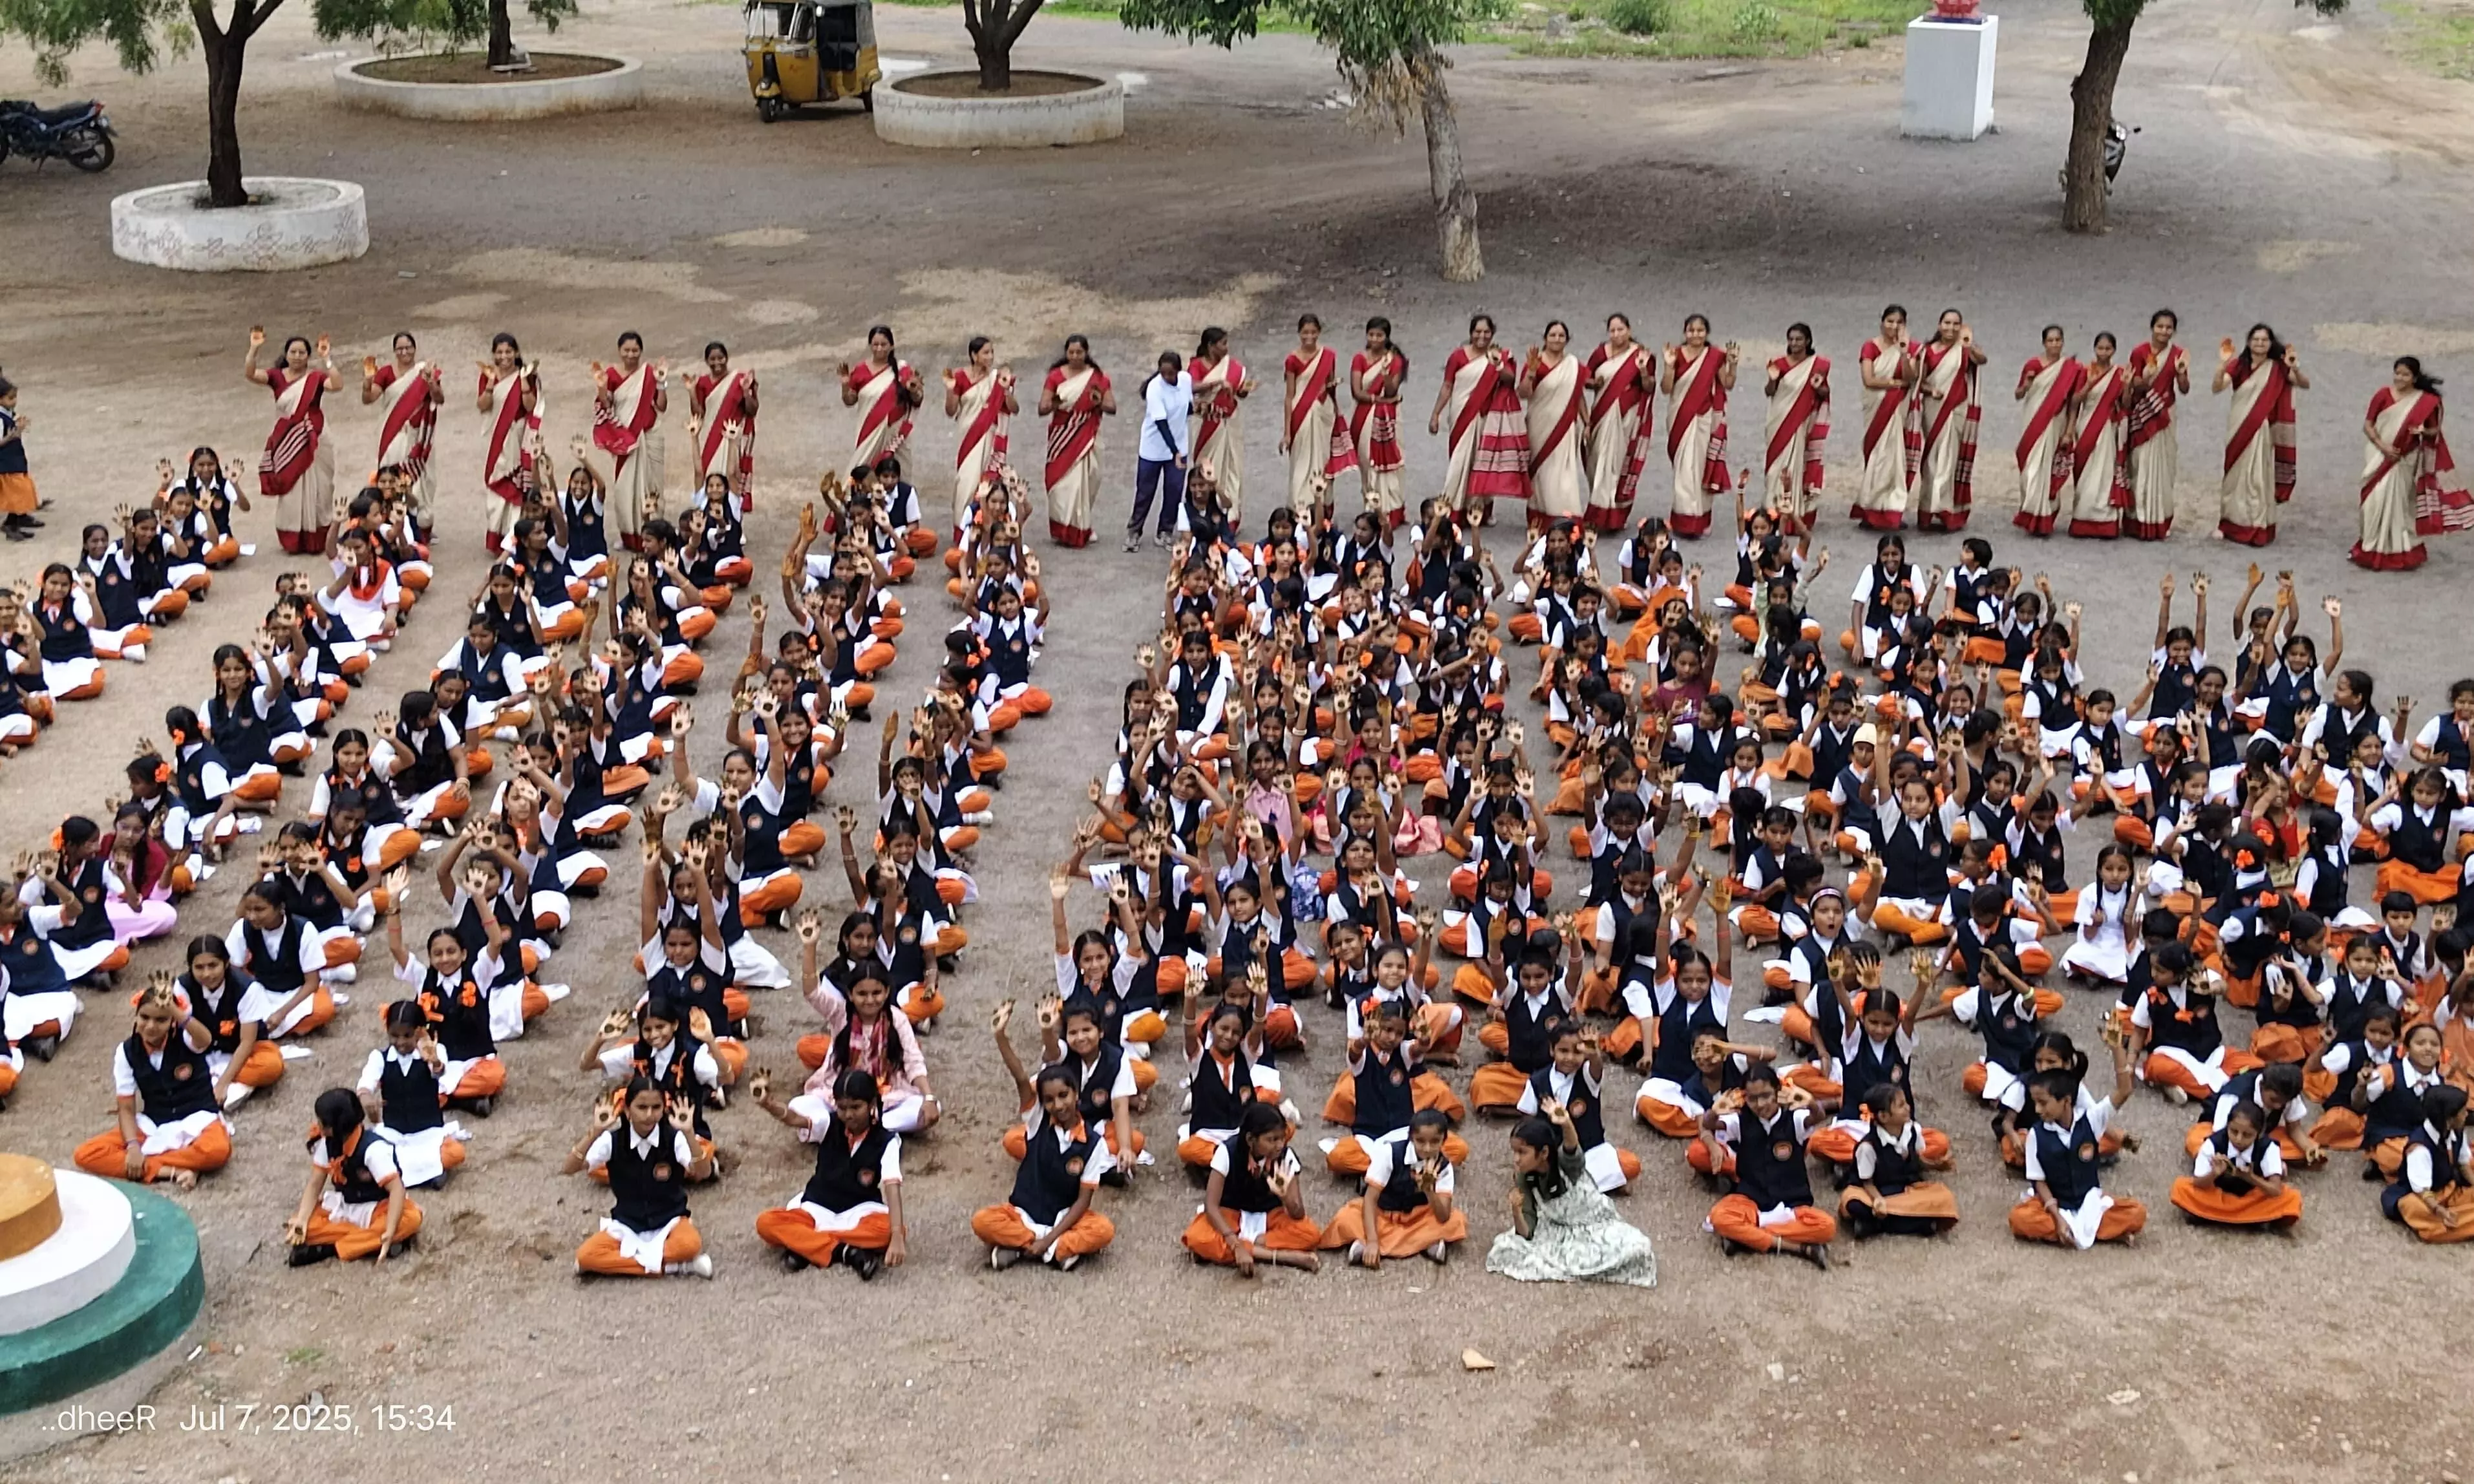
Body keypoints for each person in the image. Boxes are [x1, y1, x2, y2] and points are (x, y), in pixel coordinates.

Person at [975, 1002, 1117, 1269]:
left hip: (1063, 1219)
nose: (1058, 1105)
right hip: (1025, 1214)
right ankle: (1055, 1252)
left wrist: (1049, 1237)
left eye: (1064, 1096)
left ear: (1076, 1094)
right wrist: (1000, 1037)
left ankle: (1024, 1248)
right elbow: (1020, 1078)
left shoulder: (1094, 1144)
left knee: (1103, 1230)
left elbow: (1083, 1201)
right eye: (1049, 1100)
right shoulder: (1037, 1121)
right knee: (982, 1221)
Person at [72, 977, 232, 1189]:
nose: (150, 1026)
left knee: (216, 1151)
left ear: (172, 1021)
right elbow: (126, 1108)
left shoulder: (185, 1038)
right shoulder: (126, 1052)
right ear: (136, 1016)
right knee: (87, 1154)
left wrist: (174, 1009)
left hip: (198, 1117)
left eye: (161, 1020)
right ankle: (173, 1170)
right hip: (155, 1122)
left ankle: (154, 1165)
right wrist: (132, 1147)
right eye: (144, 1017)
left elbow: (205, 1039)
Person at [751, 1065, 908, 1278]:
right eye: (842, 1108)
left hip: (859, 1210)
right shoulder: (829, 1123)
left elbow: (892, 1185)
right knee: (767, 1223)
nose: (848, 1115)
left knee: (889, 1231)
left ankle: (806, 1245)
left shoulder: (887, 1140)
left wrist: (897, 1236)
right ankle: (846, 1252)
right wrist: (769, 1104)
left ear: (872, 1104)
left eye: (856, 1107)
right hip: (818, 1206)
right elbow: (794, 1119)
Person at [560, 1074, 716, 1278]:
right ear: (627, 1110)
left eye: (656, 1107)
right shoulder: (613, 1140)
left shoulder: (674, 1138)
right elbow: (569, 1168)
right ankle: (675, 1267)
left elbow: (704, 1173)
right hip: (628, 1224)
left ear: (664, 1108)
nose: (649, 1115)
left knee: (690, 1244)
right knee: (586, 1256)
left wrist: (688, 1133)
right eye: (642, 1107)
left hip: (669, 1221)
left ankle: (629, 1265)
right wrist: (595, 1132)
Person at [1488, 1098, 1658, 1284]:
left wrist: (1566, 1123)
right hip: (1558, 1230)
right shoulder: (1524, 1177)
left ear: (1544, 1153)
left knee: (1639, 1248)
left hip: (1596, 1224)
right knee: (1505, 1248)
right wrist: (1516, 1211)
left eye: (1522, 1152)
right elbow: (1527, 1233)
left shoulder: (1565, 1165)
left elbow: (1571, 1148)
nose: (1516, 1159)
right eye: (1514, 1152)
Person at [2010, 1030, 2146, 1248]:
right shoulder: (2036, 1134)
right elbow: (2039, 1181)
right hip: (2056, 1206)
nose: (2037, 1110)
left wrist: (2116, 1048)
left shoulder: (2091, 1120)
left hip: (2088, 1203)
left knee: (2136, 1213)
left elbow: (2124, 1090)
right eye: (2036, 1103)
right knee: (2021, 1219)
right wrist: (2057, 1217)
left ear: (2066, 1101)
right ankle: (2091, 1232)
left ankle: (2075, 1232)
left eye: (2043, 1103)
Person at [1693, 1064, 1835, 1267]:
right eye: (1752, 1098)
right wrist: (1715, 1111)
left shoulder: (1793, 1119)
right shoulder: (1740, 1122)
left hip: (1792, 1204)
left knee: (1826, 1227)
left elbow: (1817, 1117)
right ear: (1744, 1097)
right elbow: (1709, 1125)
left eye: (1766, 1096)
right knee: (1720, 1217)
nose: (1760, 1104)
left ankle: (1745, 1237)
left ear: (1778, 1092)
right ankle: (1797, 1247)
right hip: (1751, 1200)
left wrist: (1811, 1102)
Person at [2353, 355, 2473, 571]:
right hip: (2380, 455)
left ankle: (2398, 552)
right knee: (2372, 501)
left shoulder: (2425, 402)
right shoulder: (2383, 395)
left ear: (2415, 378)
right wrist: (2383, 447)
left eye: (2406, 375)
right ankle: (2370, 546)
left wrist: (2422, 431)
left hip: (2405, 458)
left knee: (2399, 503)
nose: (2400, 378)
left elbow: (2435, 431)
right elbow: (2368, 425)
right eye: (2397, 373)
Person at [283, 1086, 418, 1266]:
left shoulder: (373, 1150)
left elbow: (397, 1190)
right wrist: (302, 1220)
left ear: (337, 1126)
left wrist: (391, 1229)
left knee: (409, 1220)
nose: (318, 1125)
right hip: (346, 1205)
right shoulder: (327, 1144)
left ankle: (332, 1248)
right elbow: (315, 1184)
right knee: (303, 1223)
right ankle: (366, 1243)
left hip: (377, 1208)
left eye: (323, 1122)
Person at [244, 328, 338, 555]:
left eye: (302, 353)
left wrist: (327, 359)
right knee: (291, 488)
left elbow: (337, 385)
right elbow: (250, 373)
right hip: (288, 439)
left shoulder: (316, 378)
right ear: (286, 354)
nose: (297, 356)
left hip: (315, 437)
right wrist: (254, 348)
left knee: (321, 487)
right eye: (293, 352)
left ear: (308, 356)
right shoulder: (276, 376)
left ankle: (318, 538)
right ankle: (293, 540)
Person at [2213, 323, 2307, 546]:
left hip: (2261, 428)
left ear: (2271, 344)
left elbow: (2304, 384)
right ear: (2249, 342)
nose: (2260, 344)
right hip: (2238, 425)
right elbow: (2218, 387)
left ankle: (2257, 524)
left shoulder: (2278, 367)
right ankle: (2228, 523)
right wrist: (2222, 366)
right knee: (2234, 476)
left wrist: (2294, 368)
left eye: (2265, 340)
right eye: (2256, 340)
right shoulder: (2239, 365)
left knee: (2257, 477)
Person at [1430, 313, 1529, 522]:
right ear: (1471, 333)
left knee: (1482, 462)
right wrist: (1436, 414)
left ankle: (1478, 511)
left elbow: (1510, 381)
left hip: (1487, 416)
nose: (1482, 336)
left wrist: (1498, 364)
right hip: (1461, 413)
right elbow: (1447, 386)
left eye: (1486, 332)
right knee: (1459, 461)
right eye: (1477, 332)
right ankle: (1452, 509)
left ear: (1492, 334)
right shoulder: (1458, 357)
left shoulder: (1502, 356)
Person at [2169, 1097, 2304, 1228]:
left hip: (2251, 1198)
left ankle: (2210, 1215)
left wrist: (2252, 1178)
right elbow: (2198, 1182)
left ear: (2259, 1134)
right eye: (2234, 1131)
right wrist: (2214, 1174)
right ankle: (2254, 1219)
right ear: (2227, 1126)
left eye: (2247, 1135)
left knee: (2292, 1199)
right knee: (2181, 1188)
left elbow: (2275, 1190)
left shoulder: (2268, 1148)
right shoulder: (2213, 1144)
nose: (2239, 1139)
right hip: (2217, 1195)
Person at [361, 332, 443, 534]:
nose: (404, 352)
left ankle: (421, 528)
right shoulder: (386, 373)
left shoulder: (424, 371)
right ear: (394, 351)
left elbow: (439, 399)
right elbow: (369, 399)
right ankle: (391, 526)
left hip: (419, 437)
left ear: (415, 349)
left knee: (422, 480)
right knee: (392, 479)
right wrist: (367, 382)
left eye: (408, 348)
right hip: (393, 434)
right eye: (400, 349)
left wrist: (431, 383)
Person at [1660, 315, 1734, 537]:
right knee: (1683, 470)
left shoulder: (1714, 356)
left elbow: (1727, 383)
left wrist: (1733, 364)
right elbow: (1666, 389)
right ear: (1685, 333)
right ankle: (1683, 521)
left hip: (1703, 419)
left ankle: (1700, 519)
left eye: (1700, 330)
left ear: (1707, 333)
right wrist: (1669, 366)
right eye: (1691, 330)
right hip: (1680, 418)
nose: (1696, 335)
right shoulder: (1675, 354)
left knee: (1700, 469)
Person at [1912, 308, 1985, 532]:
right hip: (1934, 409)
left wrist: (1968, 345)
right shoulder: (1927, 351)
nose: (1951, 328)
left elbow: (1982, 360)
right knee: (1932, 459)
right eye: (1947, 323)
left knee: (1950, 459)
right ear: (1939, 325)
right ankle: (1927, 507)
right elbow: (1919, 382)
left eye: (1956, 324)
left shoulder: (1964, 350)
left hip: (1956, 409)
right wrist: (1931, 391)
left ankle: (1944, 508)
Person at [1038, 335, 1114, 548]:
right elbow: (1042, 408)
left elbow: (1112, 407)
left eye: (1079, 352)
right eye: (1071, 352)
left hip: (1088, 436)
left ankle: (1082, 527)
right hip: (1062, 437)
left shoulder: (1097, 377)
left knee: (1086, 481)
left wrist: (1099, 402)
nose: (1075, 356)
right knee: (1060, 484)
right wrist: (1054, 403)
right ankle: (1062, 529)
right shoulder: (1055, 376)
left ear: (1086, 353)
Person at [2011, 324, 2082, 538]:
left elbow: (2073, 404)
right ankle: (2030, 509)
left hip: (2055, 422)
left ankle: (2044, 515)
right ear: (2044, 343)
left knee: (2047, 468)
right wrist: (2026, 384)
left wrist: (2069, 431)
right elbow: (2018, 394)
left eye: (2058, 340)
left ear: (2063, 342)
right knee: (2029, 468)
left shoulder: (2071, 369)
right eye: (2050, 341)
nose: (2054, 344)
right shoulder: (2033, 365)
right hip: (2033, 420)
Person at [1281, 313, 1354, 522]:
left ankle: (1322, 505)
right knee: (1301, 462)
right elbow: (1289, 395)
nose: (1309, 337)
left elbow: (1330, 385)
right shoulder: (1292, 360)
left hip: (1324, 412)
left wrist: (1336, 411)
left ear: (1319, 332)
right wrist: (1287, 432)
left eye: (1313, 332)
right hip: (1301, 413)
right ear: (1299, 333)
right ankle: (1300, 506)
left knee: (1323, 460)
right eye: (1305, 332)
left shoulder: (1328, 356)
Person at [2123, 309, 2188, 540]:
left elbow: (2184, 388)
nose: (2164, 331)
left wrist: (2182, 373)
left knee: (2164, 467)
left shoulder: (2178, 354)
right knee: (2139, 464)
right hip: (2143, 413)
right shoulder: (2139, 352)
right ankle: (2137, 520)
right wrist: (2147, 377)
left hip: (2165, 413)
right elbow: (2134, 384)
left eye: (2169, 328)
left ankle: (2160, 519)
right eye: (2160, 326)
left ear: (2174, 331)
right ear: (2152, 328)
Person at [1851, 305, 1917, 530]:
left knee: (1895, 460)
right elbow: (1869, 380)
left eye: (1899, 322)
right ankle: (1871, 508)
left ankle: (1892, 510)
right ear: (1882, 322)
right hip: (1877, 407)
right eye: (1890, 321)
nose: (1894, 326)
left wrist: (1904, 352)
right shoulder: (1870, 347)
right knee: (1877, 458)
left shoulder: (1911, 347)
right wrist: (1894, 384)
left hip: (1897, 409)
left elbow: (1911, 377)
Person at [476, 332, 543, 555]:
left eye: (508, 352)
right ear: (493, 354)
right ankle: (497, 536)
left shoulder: (527, 376)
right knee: (496, 482)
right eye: (500, 352)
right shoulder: (488, 375)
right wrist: (490, 383)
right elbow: (483, 405)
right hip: (497, 438)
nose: (504, 356)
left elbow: (531, 406)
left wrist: (523, 381)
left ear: (516, 353)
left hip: (518, 437)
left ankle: (514, 538)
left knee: (517, 486)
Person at [1520, 321, 1589, 532]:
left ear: (1567, 340)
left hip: (1565, 427)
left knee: (1564, 473)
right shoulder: (1536, 362)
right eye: (1553, 335)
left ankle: (1565, 516)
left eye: (1561, 336)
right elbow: (1523, 393)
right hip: (1539, 426)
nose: (1557, 339)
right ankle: (1541, 515)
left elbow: (1578, 396)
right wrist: (1531, 372)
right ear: (1545, 338)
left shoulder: (1573, 365)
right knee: (1542, 473)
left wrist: (1587, 422)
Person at [2066, 332, 2135, 539]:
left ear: (2114, 351)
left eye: (2108, 349)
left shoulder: (2119, 373)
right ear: (2095, 349)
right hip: (2087, 425)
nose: (2104, 353)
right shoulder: (2085, 371)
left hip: (2107, 429)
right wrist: (2089, 383)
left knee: (2104, 474)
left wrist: (2127, 386)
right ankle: (2082, 517)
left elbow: (2125, 404)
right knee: (2085, 472)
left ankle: (2105, 521)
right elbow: (2075, 401)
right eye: (2100, 348)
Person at [1762, 324, 1829, 535]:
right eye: (1791, 339)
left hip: (1799, 422)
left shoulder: (1817, 365)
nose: (1794, 343)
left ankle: (1792, 514)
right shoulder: (1779, 364)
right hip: (1778, 421)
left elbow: (1824, 393)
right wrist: (1772, 380)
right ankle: (1772, 511)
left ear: (1808, 341)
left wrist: (1819, 387)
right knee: (1775, 467)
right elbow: (1769, 392)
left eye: (1799, 339)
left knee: (1794, 467)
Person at [1127, 350, 1192, 551]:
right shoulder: (1155, 389)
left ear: (1178, 370)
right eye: (1163, 373)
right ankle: (1134, 531)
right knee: (1145, 492)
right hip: (1154, 449)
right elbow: (1162, 424)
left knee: (1174, 491)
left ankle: (1165, 531)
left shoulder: (1186, 380)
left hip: (1179, 446)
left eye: (1170, 373)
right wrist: (1175, 452)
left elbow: (1188, 407)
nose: (1166, 377)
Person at [1188, 326, 1252, 524]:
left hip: (1229, 423)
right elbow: (1192, 386)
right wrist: (1217, 383)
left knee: (1232, 467)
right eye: (1223, 344)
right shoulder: (1197, 365)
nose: (1227, 348)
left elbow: (1239, 392)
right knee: (1207, 469)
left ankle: (1230, 516)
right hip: (1207, 424)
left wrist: (1244, 390)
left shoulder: (1233, 366)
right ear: (1211, 346)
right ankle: (1205, 514)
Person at [1350, 318, 1410, 523]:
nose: (1375, 339)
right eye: (1371, 335)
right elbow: (1357, 392)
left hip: (1388, 417)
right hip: (1364, 417)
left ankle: (1392, 510)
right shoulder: (1359, 359)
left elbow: (1392, 391)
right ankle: (1371, 506)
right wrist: (1379, 399)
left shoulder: (1394, 360)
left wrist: (1385, 376)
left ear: (1387, 337)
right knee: (1367, 461)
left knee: (1390, 461)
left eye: (1379, 335)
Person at [689, 340, 758, 515]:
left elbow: (752, 410)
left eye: (720, 358)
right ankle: (709, 516)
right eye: (712, 359)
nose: (717, 362)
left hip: (733, 436)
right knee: (709, 477)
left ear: (727, 358)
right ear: (707, 361)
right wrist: (691, 392)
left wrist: (745, 391)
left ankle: (735, 519)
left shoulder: (740, 380)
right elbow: (698, 413)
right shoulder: (703, 383)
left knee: (733, 477)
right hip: (711, 437)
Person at [843, 324, 921, 471]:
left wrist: (915, 391)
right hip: (868, 434)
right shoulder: (860, 370)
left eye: (884, 345)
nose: (879, 349)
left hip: (895, 437)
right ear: (870, 346)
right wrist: (845, 385)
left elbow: (916, 400)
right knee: (863, 474)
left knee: (896, 475)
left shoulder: (903, 370)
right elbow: (849, 401)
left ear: (891, 346)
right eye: (875, 345)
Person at [0, 377, 39, 542]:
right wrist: (14, 434)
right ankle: (11, 524)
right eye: (11, 398)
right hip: (6, 463)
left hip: (15, 459)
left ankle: (18, 519)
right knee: (17, 493)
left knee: (22, 491)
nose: (14, 401)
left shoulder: (8, 414)